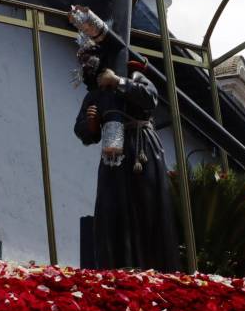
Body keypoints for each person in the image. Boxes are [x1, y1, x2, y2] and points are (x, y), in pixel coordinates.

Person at [74, 57, 180, 272]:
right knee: (111, 207)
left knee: (147, 205)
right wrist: (92, 125)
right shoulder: (95, 94)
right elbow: (82, 131)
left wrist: (118, 81)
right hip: (113, 157)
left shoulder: (135, 76)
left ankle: (155, 266)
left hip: (142, 150)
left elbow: (150, 98)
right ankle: (115, 265)